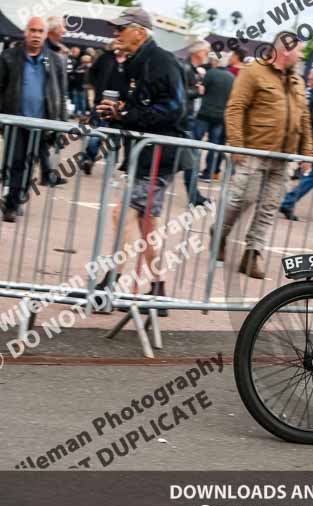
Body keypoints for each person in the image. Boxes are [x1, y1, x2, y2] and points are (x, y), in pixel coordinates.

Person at [96, 7, 186, 306]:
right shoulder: (134, 62)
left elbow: (175, 107)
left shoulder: (162, 61)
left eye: (121, 28)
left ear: (140, 31)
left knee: (121, 214)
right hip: (147, 153)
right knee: (147, 224)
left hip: (160, 153)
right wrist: (118, 113)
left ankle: (109, 283)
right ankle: (158, 288)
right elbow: (139, 108)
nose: (115, 33)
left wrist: (129, 113)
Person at [220, 31, 313, 279]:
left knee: (269, 207)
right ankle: (219, 233)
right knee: (243, 199)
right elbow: (235, 107)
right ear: (285, 50)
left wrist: (307, 152)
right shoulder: (253, 71)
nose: (302, 56)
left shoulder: (297, 81)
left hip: (284, 156)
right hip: (254, 151)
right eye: (299, 51)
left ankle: (252, 254)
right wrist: (237, 145)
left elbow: (304, 117)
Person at [0, 16, 68, 223]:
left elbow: (60, 94)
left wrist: (61, 125)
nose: (36, 35)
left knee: (29, 166)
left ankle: (16, 198)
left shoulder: (56, 61)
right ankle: (11, 204)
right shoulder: (9, 57)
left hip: (42, 124)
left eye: (40, 31)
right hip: (15, 121)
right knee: (15, 163)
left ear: (46, 35)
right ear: (25, 32)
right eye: (33, 30)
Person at [279, 70, 313, 221]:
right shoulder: (310, 93)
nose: (309, 80)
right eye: (309, 78)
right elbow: (307, 116)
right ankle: (287, 202)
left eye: (312, 78)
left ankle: (288, 201)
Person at [83, 45, 127, 175]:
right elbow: (92, 72)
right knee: (95, 135)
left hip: (119, 107)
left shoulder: (132, 62)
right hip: (101, 103)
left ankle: (110, 164)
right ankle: (89, 159)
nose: (120, 44)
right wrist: (97, 89)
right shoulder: (105, 58)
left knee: (114, 138)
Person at [180, 41, 211, 205]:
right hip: (184, 122)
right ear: (197, 52)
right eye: (206, 51)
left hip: (188, 120)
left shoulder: (190, 70)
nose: (208, 54)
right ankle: (194, 196)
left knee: (191, 159)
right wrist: (196, 91)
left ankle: (194, 196)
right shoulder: (185, 69)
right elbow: (180, 93)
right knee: (191, 159)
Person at [194, 55, 234, 182]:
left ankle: (191, 169)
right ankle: (209, 173)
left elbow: (202, 90)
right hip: (220, 116)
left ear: (216, 62)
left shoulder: (211, 73)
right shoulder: (232, 77)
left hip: (205, 113)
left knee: (195, 142)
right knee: (214, 145)